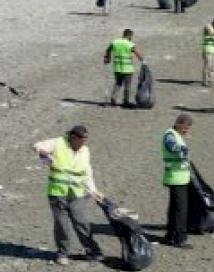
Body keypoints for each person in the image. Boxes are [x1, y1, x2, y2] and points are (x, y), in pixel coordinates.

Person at [34, 125, 104, 266]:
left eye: (85, 141)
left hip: (77, 193)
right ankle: (62, 253)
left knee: (80, 222)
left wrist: (94, 190)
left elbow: (87, 171)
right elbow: (37, 146)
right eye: (81, 141)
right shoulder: (58, 143)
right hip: (57, 193)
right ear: (72, 137)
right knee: (62, 224)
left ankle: (93, 251)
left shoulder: (85, 150)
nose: (83, 144)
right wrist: (44, 154)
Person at [161, 114, 194, 248]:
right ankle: (179, 239)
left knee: (174, 208)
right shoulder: (170, 135)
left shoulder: (176, 134)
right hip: (176, 177)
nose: (187, 130)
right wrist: (182, 149)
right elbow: (170, 146)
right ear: (179, 124)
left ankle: (170, 236)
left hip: (178, 177)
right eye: (186, 127)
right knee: (180, 209)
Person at [103, 29, 143, 107]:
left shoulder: (115, 42)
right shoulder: (129, 44)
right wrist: (142, 60)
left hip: (117, 67)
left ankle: (113, 99)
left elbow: (108, 50)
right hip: (127, 68)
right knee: (127, 85)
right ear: (129, 36)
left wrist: (107, 58)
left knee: (118, 83)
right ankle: (126, 101)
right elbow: (137, 53)